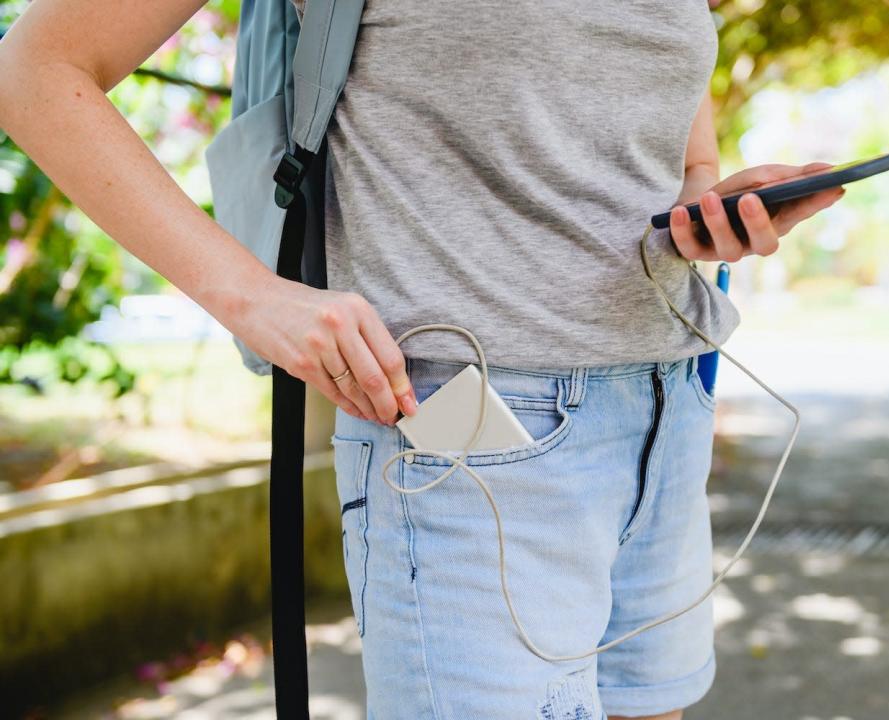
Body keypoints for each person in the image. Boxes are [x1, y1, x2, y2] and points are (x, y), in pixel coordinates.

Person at [0, 1, 844, 717]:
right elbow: (37, 70)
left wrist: (710, 202)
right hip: (470, 444)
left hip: (667, 407)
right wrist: (253, 297)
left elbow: (674, 150)